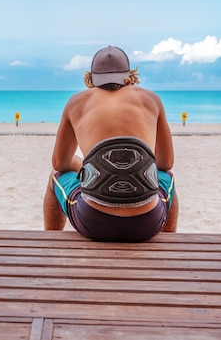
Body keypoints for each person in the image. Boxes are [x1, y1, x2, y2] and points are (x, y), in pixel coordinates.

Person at [43, 45, 178, 242]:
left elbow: (59, 164)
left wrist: (86, 167)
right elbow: (166, 163)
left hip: (94, 223)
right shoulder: (151, 100)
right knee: (167, 177)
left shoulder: (76, 102)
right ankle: (169, 245)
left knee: (55, 177)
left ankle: (51, 242)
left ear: (91, 77)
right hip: (148, 223)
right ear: (129, 75)